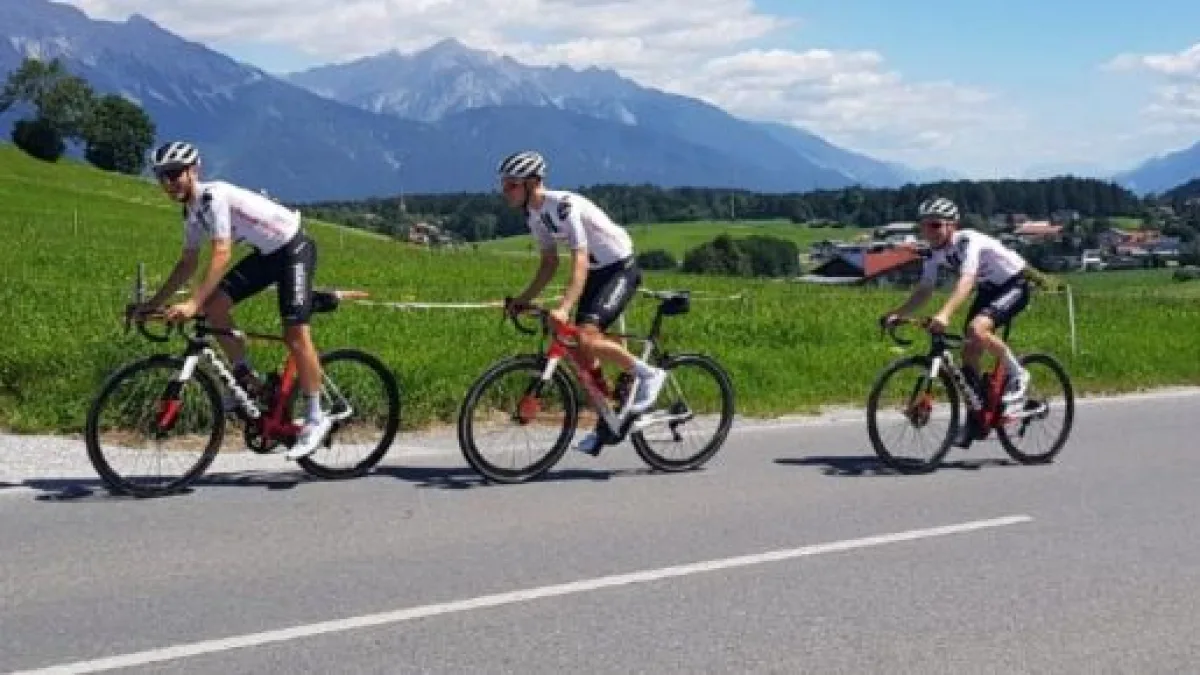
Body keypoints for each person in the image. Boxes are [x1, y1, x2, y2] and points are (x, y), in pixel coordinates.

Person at [135, 141, 331, 460]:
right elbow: (187, 263)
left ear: (193, 171)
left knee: (295, 334)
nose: (169, 183)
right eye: (162, 176)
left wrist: (192, 304)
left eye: (174, 174)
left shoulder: (214, 197)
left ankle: (315, 416)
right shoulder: (192, 210)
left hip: (293, 248)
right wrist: (153, 303)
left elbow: (221, 253)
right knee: (215, 308)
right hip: (267, 254)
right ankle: (245, 380)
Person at [497, 150, 667, 456]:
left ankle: (649, 375)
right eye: (504, 184)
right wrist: (523, 300)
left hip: (619, 268)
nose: (504, 190)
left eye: (511, 184)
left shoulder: (563, 207)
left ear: (532, 183)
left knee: (586, 336)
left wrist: (563, 307)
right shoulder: (532, 214)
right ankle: (611, 414)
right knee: (575, 344)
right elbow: (549, 263)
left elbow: (579, 260)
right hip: (596, 271)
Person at [882, 196, 1033, 446]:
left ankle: (1018, 374)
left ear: (952, 226)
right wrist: (900, 313)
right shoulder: (932, 252)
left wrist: (945, 314)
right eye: (924, 225)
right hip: (988, 290)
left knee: (976, 329)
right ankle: (979, 416)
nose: (928, 231)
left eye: (935, 225)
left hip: (1014, 284)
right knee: (969, 351)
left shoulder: (967, 241)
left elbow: (966, 281)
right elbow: (925, 289)